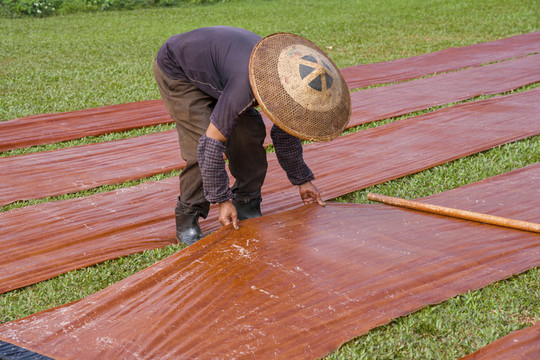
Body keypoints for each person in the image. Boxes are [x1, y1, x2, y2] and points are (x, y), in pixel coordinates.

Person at [153, 26, 350, 246]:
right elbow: (210, 145)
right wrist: (223, 200)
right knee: (200, 142)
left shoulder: (288, 79)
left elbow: (285, 133)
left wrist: (303, 181)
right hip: (180, 70)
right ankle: (187, 216)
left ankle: (247, 202)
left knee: (250, 132)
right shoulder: (244, 85)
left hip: (220, 68)